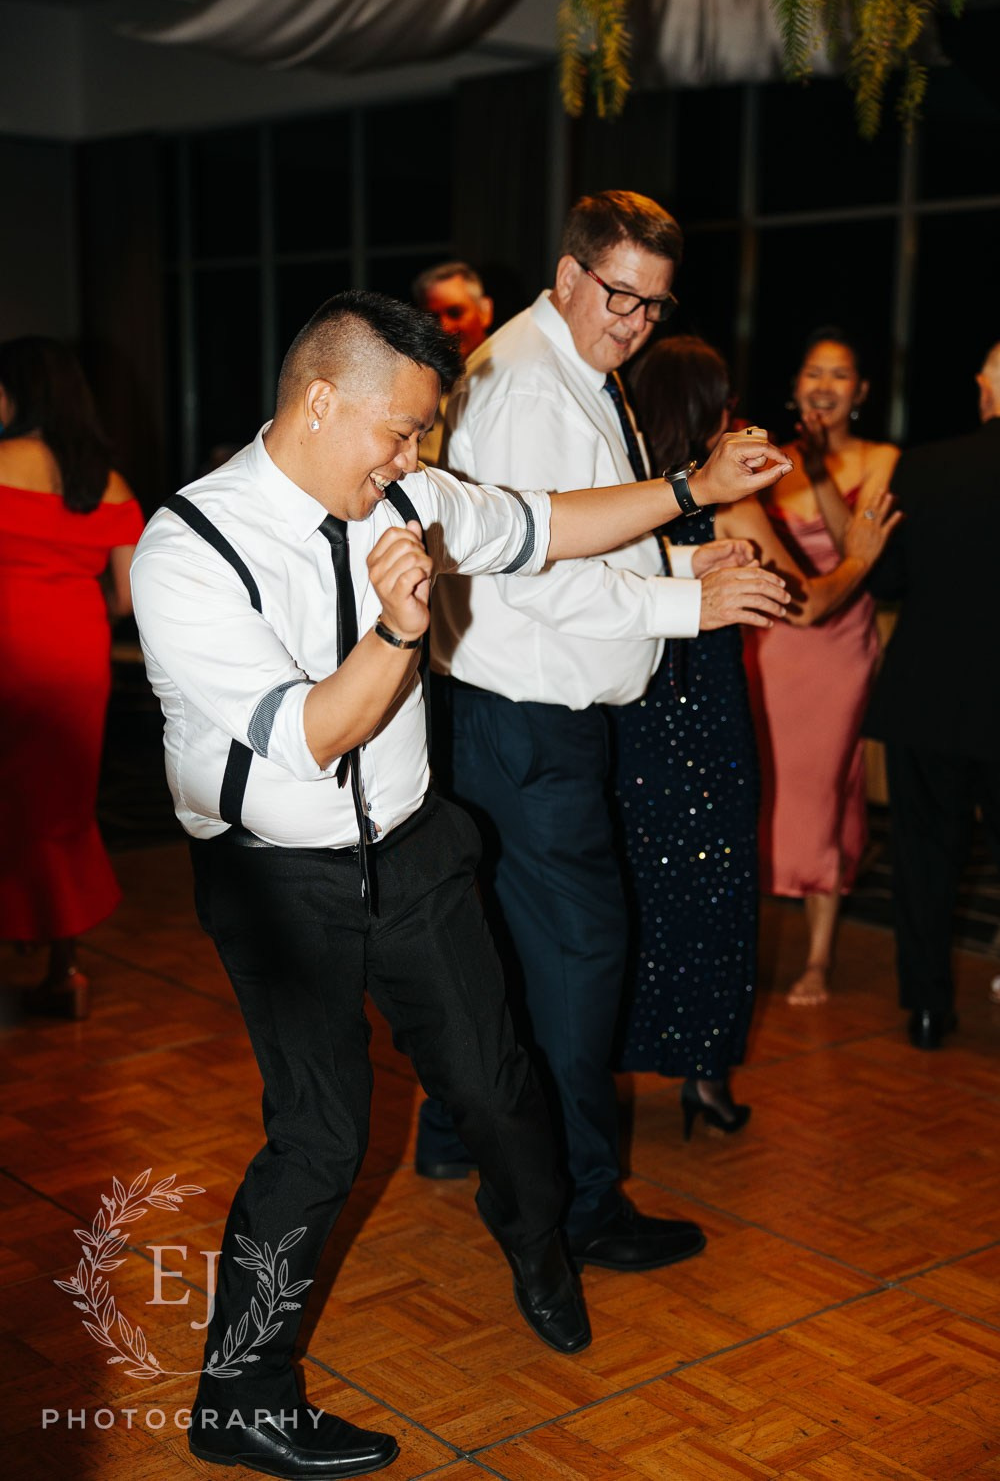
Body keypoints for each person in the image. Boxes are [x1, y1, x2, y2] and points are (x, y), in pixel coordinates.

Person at [130, 289, 793, 1480]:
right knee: (321, 1136)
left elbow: (540, 524)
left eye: (422, 438)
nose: (413, 460)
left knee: (497, 1084)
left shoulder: (404, 491)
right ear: (322, 400)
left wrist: (689, 494)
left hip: (415, 848)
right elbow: (312, 737)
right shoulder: (191, 549)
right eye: (399, 432)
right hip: (277, 878)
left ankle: (540, 1249)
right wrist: (393, 632)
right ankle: (240, 1396)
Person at [421, 190, 792, 1269]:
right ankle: (581, 1206)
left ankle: (453, 1137)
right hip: (529, 723)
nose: (634, 322)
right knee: (582, 962)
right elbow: (529, 581)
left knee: (500, 952)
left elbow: (583, 543)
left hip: (506, 716)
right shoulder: (534, 387)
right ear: (571, 272)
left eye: (653, 305)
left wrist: (684, 562)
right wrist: (689, 606)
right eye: (619, 295)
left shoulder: (569, 368)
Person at [611, 336, 899, 1133]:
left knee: (638, 883)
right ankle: (704, 1074)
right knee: (717, 885)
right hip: (704, 709)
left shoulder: (625, 493)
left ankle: (616, 1052)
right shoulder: (726, 501)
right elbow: (803, 603)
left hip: (632, 707)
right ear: (709, 408)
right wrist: (863, 558)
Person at [743, 327, 899, 1005]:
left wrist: (816, 471)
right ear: (795, 387)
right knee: (759, 780)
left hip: (839, 647)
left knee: (823, 787)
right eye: (814, 373)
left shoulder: (881, 457)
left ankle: (817, 956)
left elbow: (855, 550)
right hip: (770, 642)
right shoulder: (763, 458)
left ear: (860, 393)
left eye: (839, 376)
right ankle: (745, 935)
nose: (824, 387)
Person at [0, 336, 143, 1021]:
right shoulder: (109, 483)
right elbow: (127, 599)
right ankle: (67, 969)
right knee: (61, 809)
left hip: (9, 650)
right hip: (77, 656)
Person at [864, 343, 1000, 1049]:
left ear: (986, 388)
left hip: (928, 694)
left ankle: (925, 1009)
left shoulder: (920, 468)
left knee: (922, 858)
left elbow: (887, 583)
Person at [412, 260, 494, 463]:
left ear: (485, 311)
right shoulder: (413, 382)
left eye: (455, 312)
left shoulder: (507, 375)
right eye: (432, 317)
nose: (444, 326)